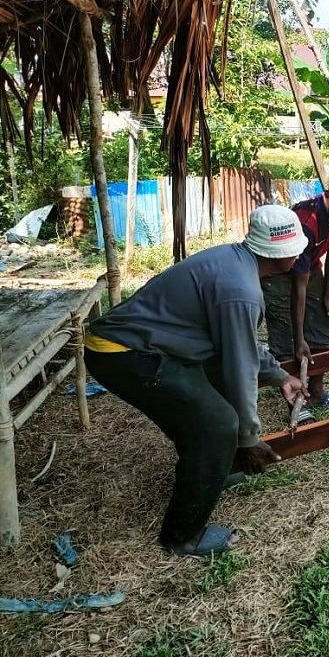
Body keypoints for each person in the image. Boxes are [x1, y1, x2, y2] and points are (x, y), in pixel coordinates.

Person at [83, 205, 309, 557]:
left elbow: (241, 345)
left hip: (146, 345)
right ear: (283, 254)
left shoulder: (235, 262)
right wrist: (248, 438)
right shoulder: (241, 290)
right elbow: (240, 367)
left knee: (212, 404)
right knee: (217, 425)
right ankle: (182, 535)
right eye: (297, 246)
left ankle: (218, 467)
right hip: (124, 354)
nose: (300, 252)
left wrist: (280, 375)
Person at [261, 161, 329, 424]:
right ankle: (295, 401)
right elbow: (298, 284)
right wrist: (299, 338)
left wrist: (327, 295)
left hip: (309, 269)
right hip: (277, 274)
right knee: (286, 337)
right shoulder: (306, 221)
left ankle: (317, 391)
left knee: (326, 318)